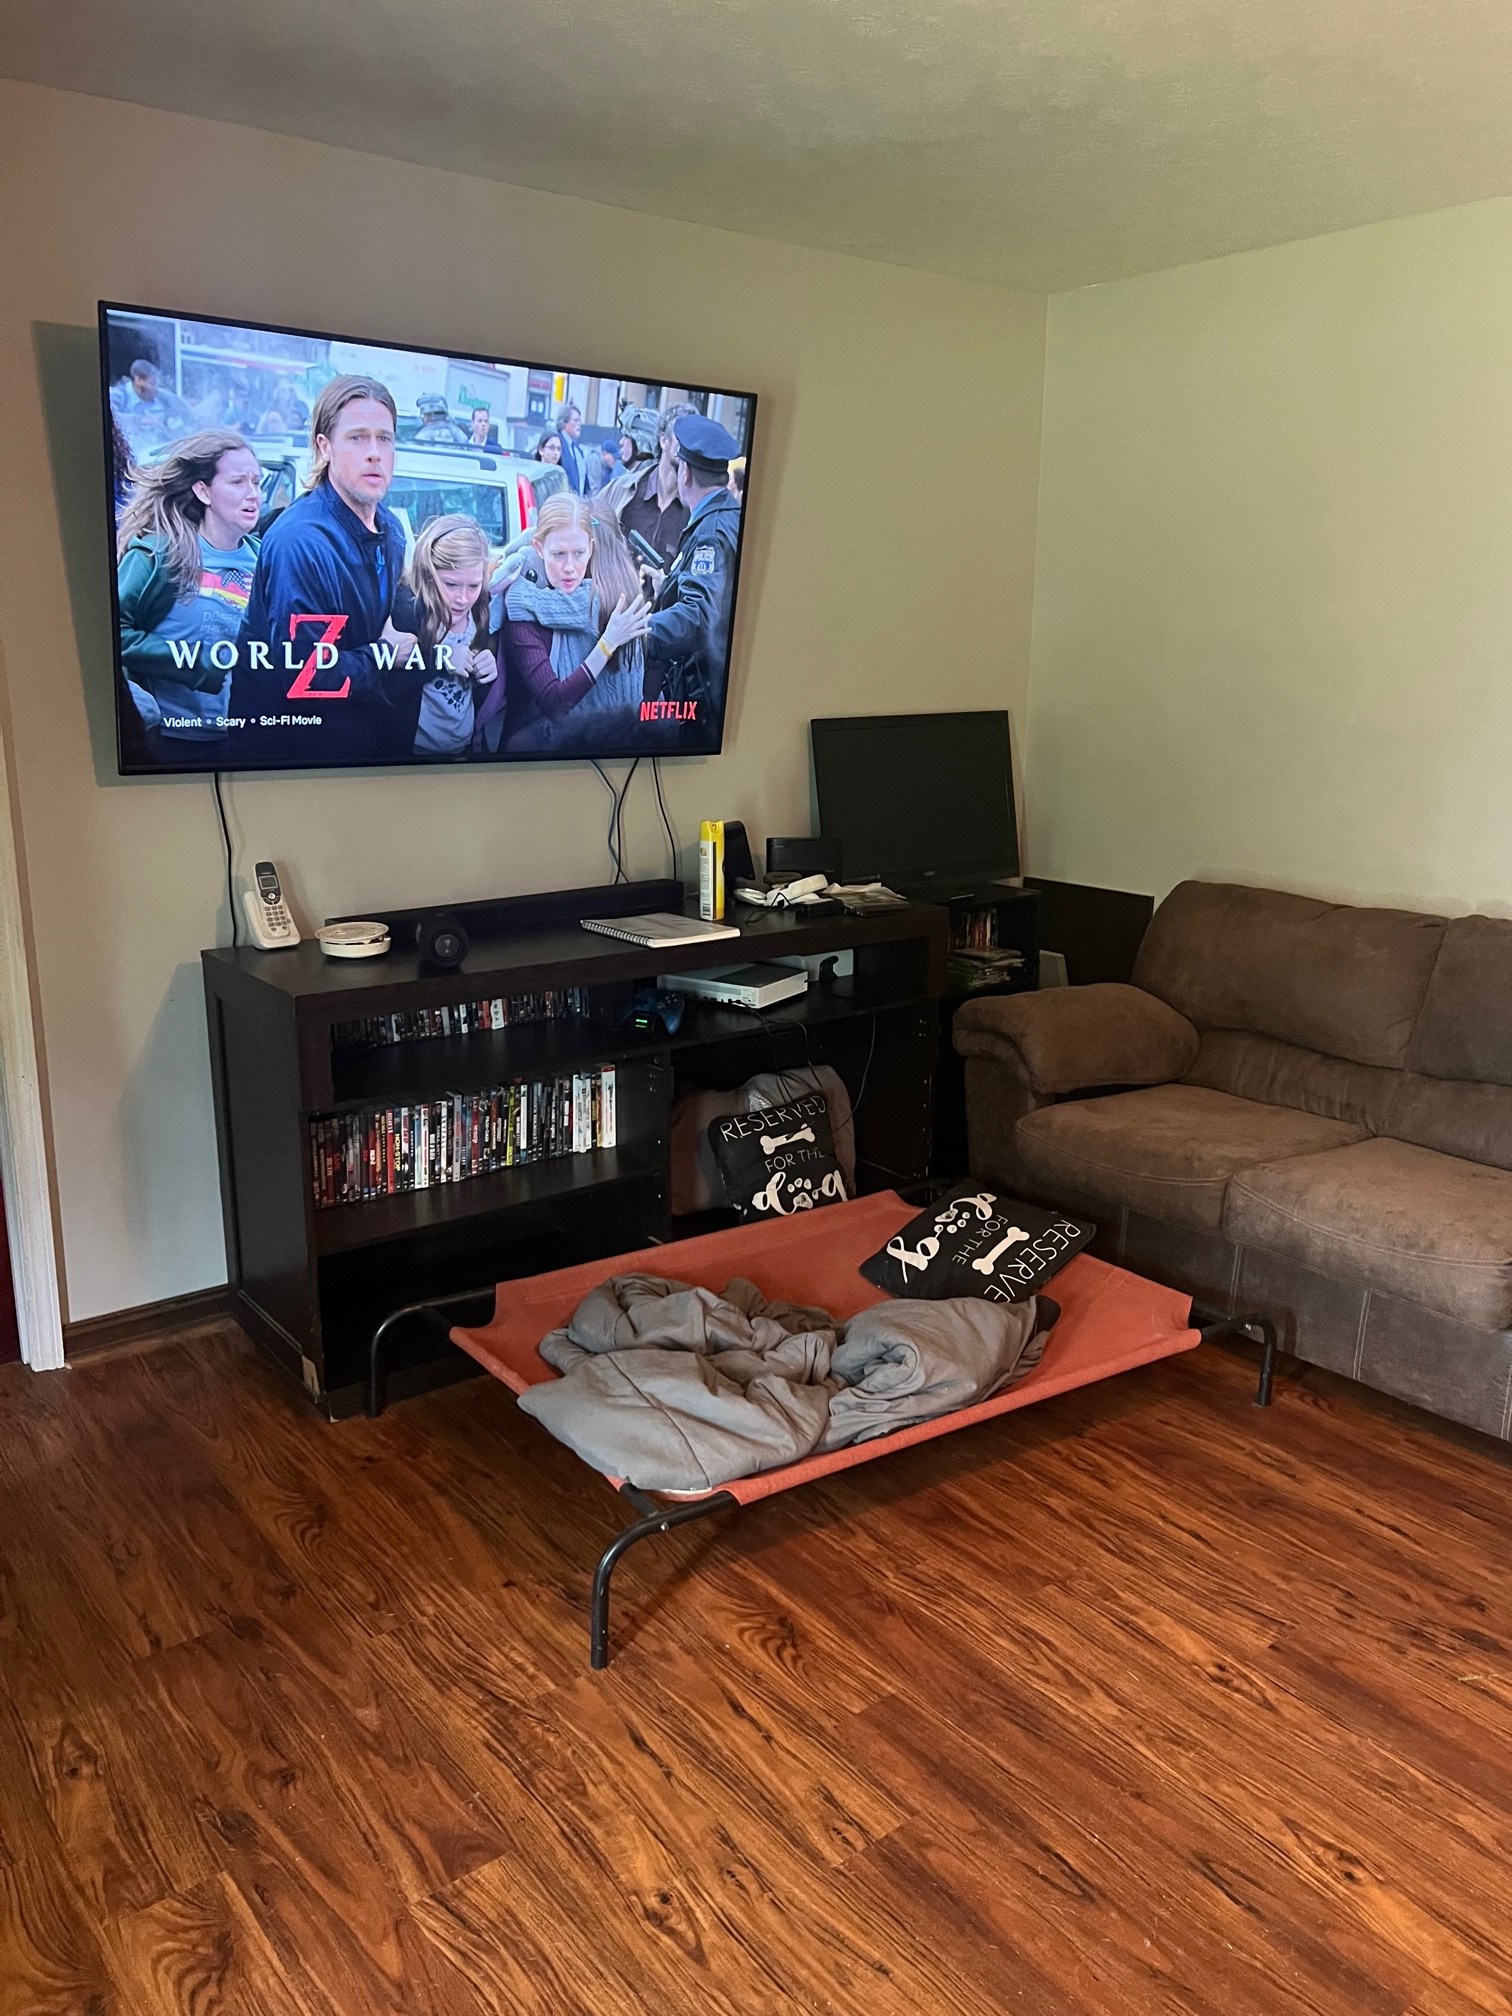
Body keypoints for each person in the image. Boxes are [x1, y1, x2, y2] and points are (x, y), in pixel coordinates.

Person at [236, 373, 411, 766]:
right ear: (324, 446)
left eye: (384, 438)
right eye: (357, 437)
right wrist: (383, 654)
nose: (374, 452)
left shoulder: (391, 529)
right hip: (285, 763)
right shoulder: (300, 542)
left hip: (358, 748)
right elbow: (308, 675)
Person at [114, 428, 262, 762]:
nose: (252, 493)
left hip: (242, 739)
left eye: (257, 481)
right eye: (238, 482)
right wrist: (197, 664)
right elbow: (111, 637)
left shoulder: (265, 559)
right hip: (168, 739)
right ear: (203, 491)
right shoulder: (158, 555)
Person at [499, 492, 649, 750]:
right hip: (622, 736)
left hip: (595, 739)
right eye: (558, 553)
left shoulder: (595, 598)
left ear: (591, 548)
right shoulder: (622, 585)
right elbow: (555, 702)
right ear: (540, 548)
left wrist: (517, 590)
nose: (570, 567)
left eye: (579, 553)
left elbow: (520, 601)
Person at [642, 414, 743, 725]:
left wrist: (641, 630)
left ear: (684, 473)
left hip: (702, 700)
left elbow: (699, 615)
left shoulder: (710, 531)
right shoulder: (732, 514)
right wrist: (668, 588)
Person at [388, 515, 498, 759]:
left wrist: (486, 672)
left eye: (473, 586)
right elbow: (385, 680)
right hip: (408, 758)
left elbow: (472, 693)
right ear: (428, 573)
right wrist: (442, 660)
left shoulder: (480, 614)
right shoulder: (406, 613)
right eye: (451, 584)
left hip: (461, 754)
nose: (462, 598)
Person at [621, 402, 696, 569]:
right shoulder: (626, 490)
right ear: (664, 440)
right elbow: (593, 525)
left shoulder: (693, 510)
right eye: (681, 435)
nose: (688, 443)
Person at [109, 359, 195, 456]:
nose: (156, 389)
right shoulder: (118, 395)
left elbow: (186, 412)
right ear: (139, 380)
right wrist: (139, 420)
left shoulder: (165, 398)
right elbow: (107, 417)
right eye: (153, 384)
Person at [555, 402, 589, 493]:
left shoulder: (577, 450)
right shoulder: (556, 446)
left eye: (580, 421)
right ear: (564, 422)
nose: (579, 424)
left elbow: (584, 484)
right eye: (576, 420)